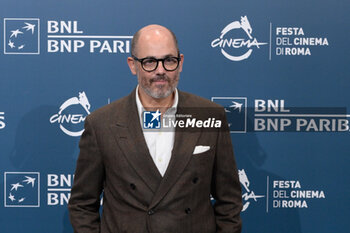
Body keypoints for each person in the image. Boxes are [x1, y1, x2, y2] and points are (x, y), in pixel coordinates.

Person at [68, 24, 242, 233]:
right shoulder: (101, 124)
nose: (161, 71)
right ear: (133, 65)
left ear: (181, 63)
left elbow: (229, 201)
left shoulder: (210, 116)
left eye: (169, 60)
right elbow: (82, 204)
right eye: (150, 61)